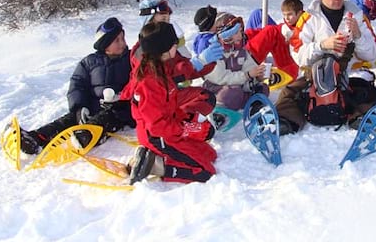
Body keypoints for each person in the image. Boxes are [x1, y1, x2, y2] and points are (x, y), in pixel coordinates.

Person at [275, 0, 376, 135]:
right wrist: (322, 45)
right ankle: (285, 122)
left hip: (348, 73)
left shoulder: (357, 16)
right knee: (289, 93)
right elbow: (298, 56)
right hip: (316, 75)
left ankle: (362, 119)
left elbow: (372, 54)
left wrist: (358, 36)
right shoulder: (308, 18)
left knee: (364, 90)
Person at [18, 17, 136, 154]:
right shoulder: (89, 62)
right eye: (117, 40)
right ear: (105, 44)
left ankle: (85, 136)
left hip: (119, 108)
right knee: (69, 119)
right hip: (93, 106)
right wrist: (80, 107)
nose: (122, 43)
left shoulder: (131, 59)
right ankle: (37, 138)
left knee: (107, 119)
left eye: (123, 38)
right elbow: (77, 85)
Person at [123, 22, 217, 184]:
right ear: (163, 50)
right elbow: (157, 125)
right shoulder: (150, 82)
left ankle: (154, 158)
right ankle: (156, 167)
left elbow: (182, 75)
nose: (177, 47)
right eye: (174, 44)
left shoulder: (162, 66)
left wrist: (205, 61)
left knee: (210, 155)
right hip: (157, 136)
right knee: (205, 171)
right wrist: (185, 129)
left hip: (168, 128)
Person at [202, 12, 269, 110]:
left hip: (237, 88)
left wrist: (257, 78)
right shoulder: (214, 53)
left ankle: (249, 104)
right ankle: (219, 107)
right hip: (217, 90)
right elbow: (222, 78)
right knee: (232, 93)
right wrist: (247, 75)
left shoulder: (241, 52)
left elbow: (249, 69)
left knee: (262, 88)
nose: (240, 36)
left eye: (241, 31)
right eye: (236, 32)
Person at [244, 0, 303, 80]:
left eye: (289, 14)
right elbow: (265, 31)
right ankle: (243, 42)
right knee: (258, 15)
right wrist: (246, 36)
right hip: (282, 47)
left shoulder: (306, 27)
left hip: (292, 66)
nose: (286, 18)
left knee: (271, 30)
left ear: (299, 13)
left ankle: (249, 59)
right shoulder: (286, 26)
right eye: (284, 15)